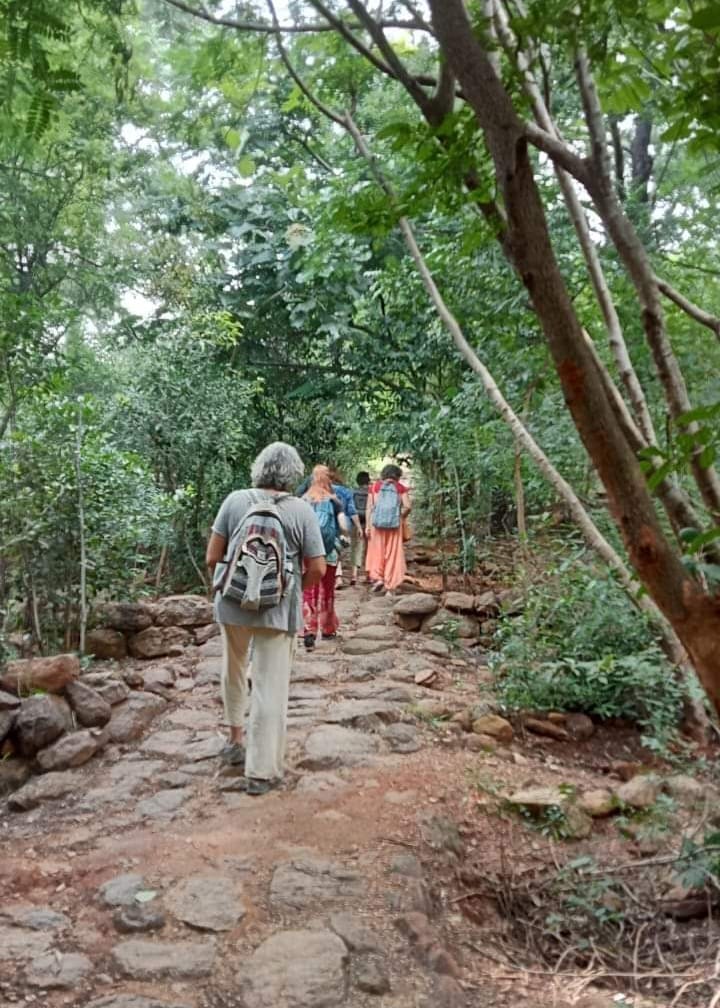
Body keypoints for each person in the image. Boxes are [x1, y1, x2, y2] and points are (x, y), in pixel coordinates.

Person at [205, 442, 325, 796]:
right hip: (278, 610)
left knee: (233, 669)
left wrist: (241, 582)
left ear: (258, 468)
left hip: (232, 606)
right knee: (270, 687)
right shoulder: (301, 511)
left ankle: (234, 740)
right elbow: (317, 566)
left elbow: (213, 556)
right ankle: (260, 772)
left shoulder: (235, 500)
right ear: (293, 474)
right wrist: (292, 589)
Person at [302, 465, 348, 648]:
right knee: (327, 590)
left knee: (308, 591)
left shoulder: (303, 500)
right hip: (328, 551)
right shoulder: (334, 501)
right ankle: (327, 629)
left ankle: (308, 629)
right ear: (328, 479)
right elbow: (343, 526)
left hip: (307, 552)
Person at [365, 463, 411, 595]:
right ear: (397, 476)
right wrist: (400, 517)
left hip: (376, 525)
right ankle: (390, 587)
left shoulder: (374, 487)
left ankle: (378, 578)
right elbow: (408, 506)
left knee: (376, 553)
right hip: (394, 526)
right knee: (392, 555)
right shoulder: (400, 487)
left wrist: (368, 525)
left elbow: (369, 507)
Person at [327, 466, 362, 590]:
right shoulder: (346, 491)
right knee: (338, 549)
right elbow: (352, 511)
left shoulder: (322, 490)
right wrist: (358, 527)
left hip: (328, 523)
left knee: (333, 549)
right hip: (344, 523)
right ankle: (340, 577)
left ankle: (338, 577)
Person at [350, 471, 371, 585]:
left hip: (356, 522)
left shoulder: (353, 492)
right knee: (369, 548)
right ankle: (368, 575)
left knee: (356, 547)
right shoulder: (371, 492)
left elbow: (350, 508)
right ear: (368, 481)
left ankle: (354, 575)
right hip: (369, 522)